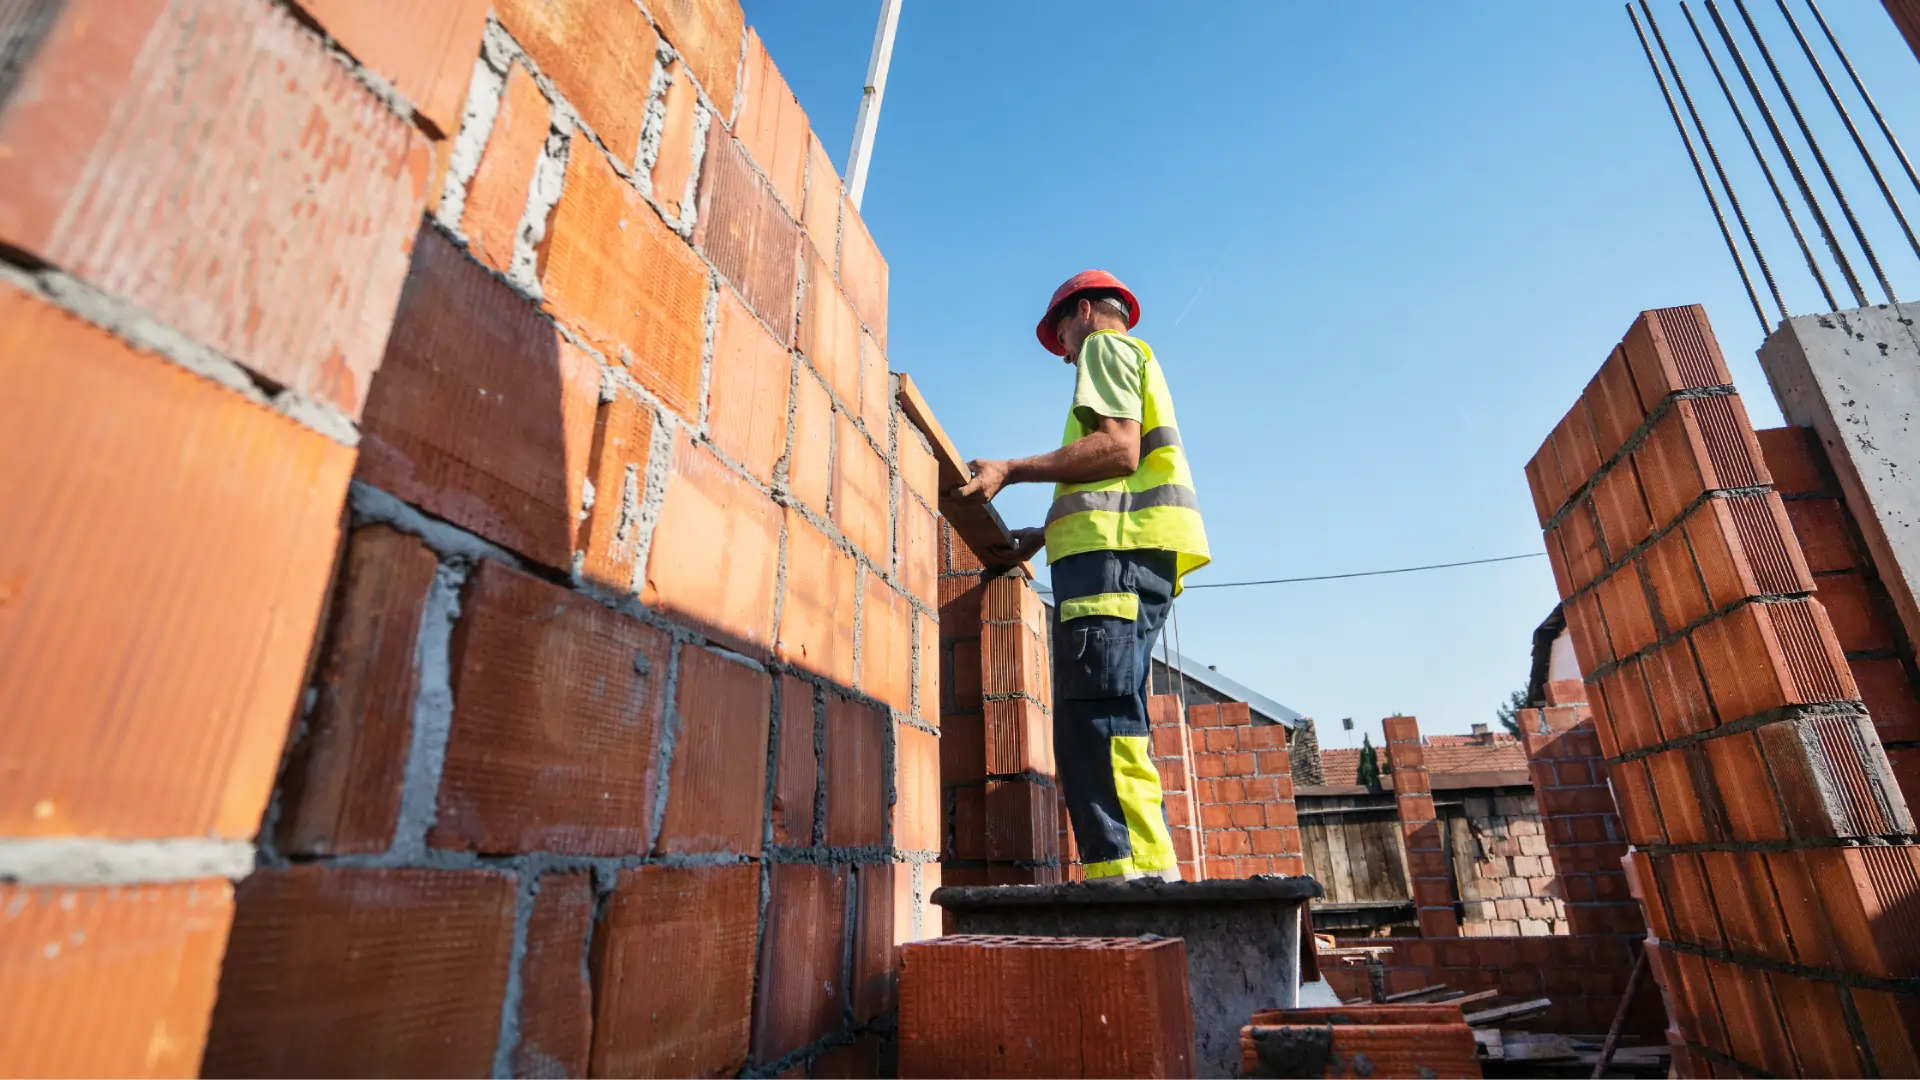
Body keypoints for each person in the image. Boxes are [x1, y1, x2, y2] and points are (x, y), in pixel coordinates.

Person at [953, 270, 1210, 881]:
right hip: (1124, 556)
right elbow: (1112, 479)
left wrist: (1011, 468)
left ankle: (1133, 881)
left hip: (1116, 560)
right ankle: (1138, 873)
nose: (1063, 352)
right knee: (1102, 713)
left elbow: (1118, 449)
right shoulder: (1125, 356)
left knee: (1098, 719)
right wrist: (1045, 534)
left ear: (1088, 311)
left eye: (1062, 333)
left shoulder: (1106, 347)